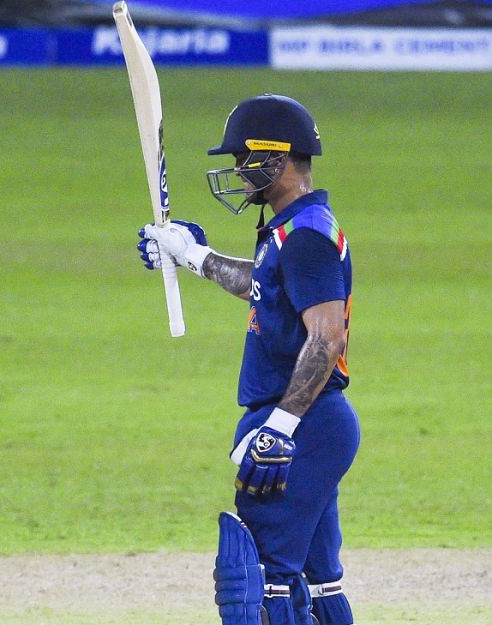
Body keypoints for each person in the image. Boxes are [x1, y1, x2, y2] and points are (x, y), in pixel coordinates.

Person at [137, 94, 359, 625]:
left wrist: (280, 427)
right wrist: (192, 255)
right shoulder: (293, 228)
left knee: (260, 584)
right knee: (319, 585)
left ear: (276, 158)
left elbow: (326, 338)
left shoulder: (305, 236)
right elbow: (262, 284)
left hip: (302, 422)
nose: (237, 170)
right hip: (315, 423)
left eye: (243, 158)